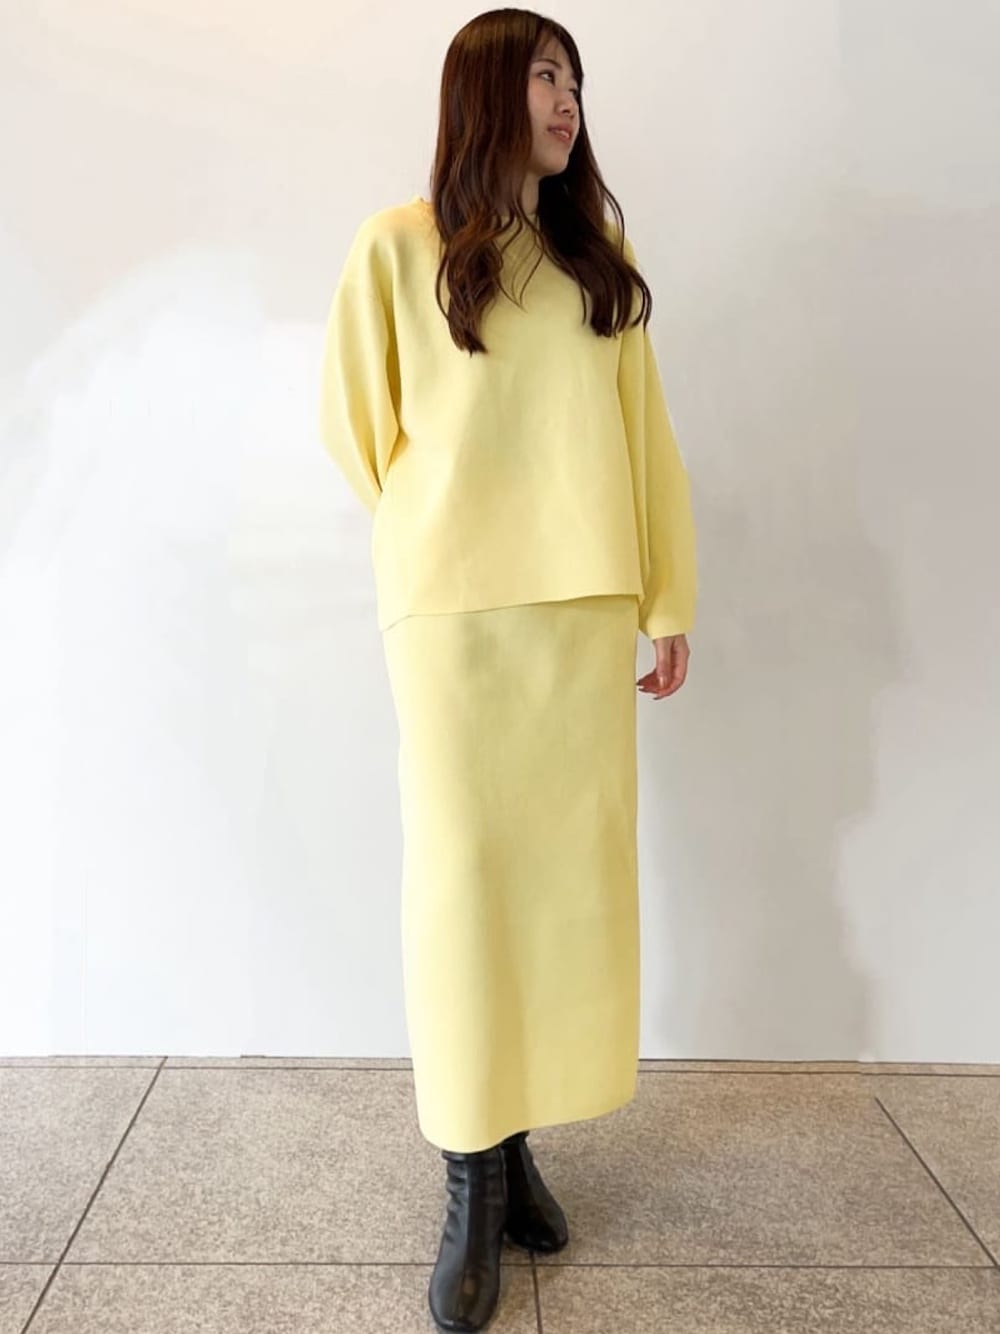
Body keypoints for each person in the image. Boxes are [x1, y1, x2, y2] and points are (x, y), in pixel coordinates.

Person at [318, 9, 698, 1331]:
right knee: (465, 886)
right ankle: (472, 1178)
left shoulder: (600, 263)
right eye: (543, 72)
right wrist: (443, 529)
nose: (566, 96)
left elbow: (645, 437)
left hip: (582, 609)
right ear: (484, 89)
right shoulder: (396, 247)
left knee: (559, 889)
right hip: (455, 618)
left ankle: (516, 1139)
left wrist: (665, 597)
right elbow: (356, 430)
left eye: (574, 76)